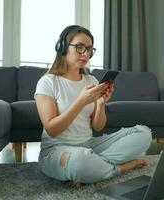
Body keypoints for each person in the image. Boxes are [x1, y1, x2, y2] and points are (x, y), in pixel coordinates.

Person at [34, 25, 152, 185]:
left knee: (144, 134)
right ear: (62, 47)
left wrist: (101, 104)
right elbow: (52, 130)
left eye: (89, 49)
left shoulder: (92, 81)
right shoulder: (48, 82)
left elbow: (98, 127)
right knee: (81, 160)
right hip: (56, 149)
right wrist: (81, 101)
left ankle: (93, 168)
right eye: (79, 47)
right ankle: (120, 168)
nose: (85, 54)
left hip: (90, 144)